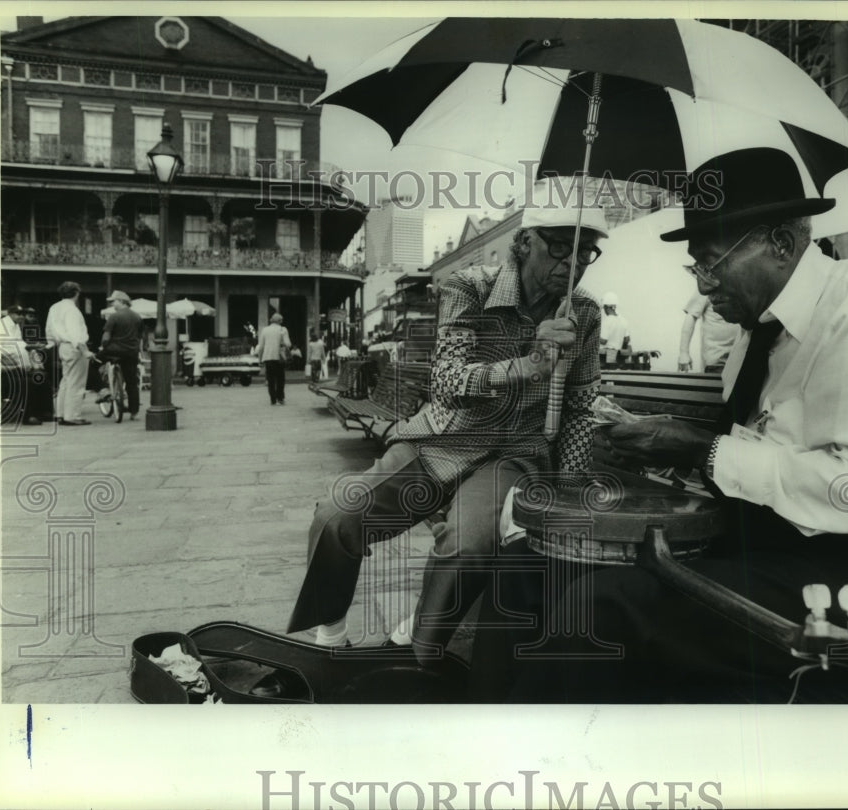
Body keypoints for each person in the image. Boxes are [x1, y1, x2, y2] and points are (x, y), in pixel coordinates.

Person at [505, 148, 848, 702]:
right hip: (757, 545)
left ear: (781, 244)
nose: (705, 286)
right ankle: (498, 735)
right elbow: (757, 449)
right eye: (697, 268)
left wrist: (703, 449)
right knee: (528, 564)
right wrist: (658, 445)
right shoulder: (757, 331)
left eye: (710, 264)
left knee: (601, 607)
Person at [249, 184, 608, 699]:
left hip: (513, 453)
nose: (573, 264)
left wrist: (570, 488)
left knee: (470, 544)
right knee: (337, 513)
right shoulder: (469, 286)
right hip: (438, 436)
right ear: (525, 240)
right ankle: (329, 639)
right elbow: (448, 381)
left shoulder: (587, 313)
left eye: (587, 251)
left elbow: (579, 405)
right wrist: (526, 364)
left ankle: (417, 651)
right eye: (560, 245)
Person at [45, 280, 92, 426]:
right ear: (76, 293)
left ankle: (60, 413)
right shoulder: (72, 310)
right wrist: (84, 350)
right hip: (74, 347)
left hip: (62, 346)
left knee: (65, 381)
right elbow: (74, 332)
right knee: (76, 382)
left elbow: (49, 329)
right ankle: (72, 415)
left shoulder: (54, 307)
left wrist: (52, 342)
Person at [97, 290, 143, 420]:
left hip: (113, 351)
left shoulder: (114, 316)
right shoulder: (137, 317)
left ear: (122, 302)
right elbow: (140, 336)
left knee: (92, 363)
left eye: (114, 301)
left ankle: (102, 390)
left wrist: (103, 347)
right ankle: (134, 412)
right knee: (131, 382)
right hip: (131, 353)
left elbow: (106, 337)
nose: (112, 304)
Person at [0, 306, 46, 426]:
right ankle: (28, 416)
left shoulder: (16, 326)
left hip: (16, 364)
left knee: (41, 378)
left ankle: (44, 413)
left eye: (22, 314)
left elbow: (19, 343)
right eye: (18, 313)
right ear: (10, 313)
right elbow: (2, 348)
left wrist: (31, 347)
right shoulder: (2, 325)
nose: (21, 316)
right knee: (28, 382)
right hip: (5, 366)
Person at [678, 289, 741, 373]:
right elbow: (691, 316)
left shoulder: (743, 286)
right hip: (716, 362)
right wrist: (684, 353)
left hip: (740, 359)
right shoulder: (708, 286)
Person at [255, 313, 292, 405]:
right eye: (281, 320)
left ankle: (273, 399)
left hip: (268, 358)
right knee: (280, 379)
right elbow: (288, 344)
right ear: (279, 321)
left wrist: (260, 359)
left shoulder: (265, 330)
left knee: (270, 379)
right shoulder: (283, 329)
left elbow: (261, 347)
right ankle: (280, 398)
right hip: (279, 358)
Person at [598, 292, 630, 369]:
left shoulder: (607, 321)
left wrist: (594, 335)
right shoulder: (623, 320)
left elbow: (603, 341)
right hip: (617, 356)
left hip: (605, 357)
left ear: (606, 307)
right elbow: (627, 339)